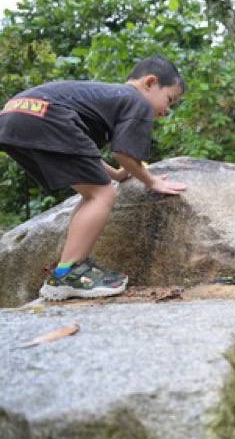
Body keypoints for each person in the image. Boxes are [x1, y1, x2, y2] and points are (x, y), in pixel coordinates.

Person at [0, 55, 187, 300]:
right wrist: (152, 181)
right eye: (169, 100)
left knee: (92, 193)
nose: (166, 111)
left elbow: (85, 152)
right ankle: (68, 274)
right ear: (149, 83)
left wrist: (118, 174)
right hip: (46, 116)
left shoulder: (108, 97)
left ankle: (69, 267)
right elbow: (123, 153)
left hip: (17, 112)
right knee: (101, 195)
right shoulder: (136, 101)